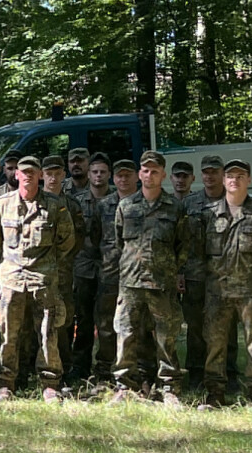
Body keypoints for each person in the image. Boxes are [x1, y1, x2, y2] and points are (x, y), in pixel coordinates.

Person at [0, 156, 77, 402]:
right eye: (22, 171)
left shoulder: (55, 206)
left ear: (39, 176)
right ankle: (6, 383)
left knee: (48, 332)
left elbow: (67, 241)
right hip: (12, 280)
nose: (27, 175)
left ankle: (50, 383)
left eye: (32, 172)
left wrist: (46, 263)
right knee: (9, 333)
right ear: (16, 175)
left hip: (43, 279)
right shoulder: (2, 204)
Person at [196, 159, 252, 408]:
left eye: (241, 176)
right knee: (215, 343)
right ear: (223, 180)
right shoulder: (208, 215)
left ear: (249, 180)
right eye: (230, 176)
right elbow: (198, 251)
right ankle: (215, 392)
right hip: (217, 291)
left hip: (250, 292)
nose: (235, 180)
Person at [112, 151, 190, 405]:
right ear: (139, 174)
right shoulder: (126, 206)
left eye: (154, 170)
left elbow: (183, 245)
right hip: (131, 284)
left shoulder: (175, 207)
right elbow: (118, 241)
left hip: (161, 285)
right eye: (145, 170)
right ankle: (125, 387)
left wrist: (169, 271)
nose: (149, 174)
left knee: (166, 337)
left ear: (163, 175)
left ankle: (169, 388)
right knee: (126, 335)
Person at [180, 154, 223, 390]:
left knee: (223, 326)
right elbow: (179, 241)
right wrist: (179, 273)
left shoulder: (234, 200)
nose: (210, 176)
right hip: (194, 276)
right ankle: (195, 373)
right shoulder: (190, 203)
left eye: (214, 171)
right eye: (206, 172)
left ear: (222, 174)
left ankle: (226, 373)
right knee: (195, 327)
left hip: (224, 277)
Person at [94, 159, 140, 384]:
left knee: (136, 325)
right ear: (114, 178)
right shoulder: (103, 205)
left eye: (128, 175)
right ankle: (104, 370)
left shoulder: (143, 204)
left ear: (136, 177)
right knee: (105, 325)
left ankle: (136, 369)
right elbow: (93, 238)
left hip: (137, 276)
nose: (123, 180)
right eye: (119, 176)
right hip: (110, 273)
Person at [41, 156, 84, 378]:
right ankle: (38, 366)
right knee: (38, 318)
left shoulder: (72, 205)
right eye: (49, 173)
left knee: (65, 318)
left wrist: (64, 259)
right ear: (42, 175)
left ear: (64, 175)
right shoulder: (33, 203)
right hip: (38, 272)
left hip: (64, 271)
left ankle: (65, 367)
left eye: (58, 173)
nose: (53, 178)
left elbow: (79, 238)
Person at [68, 152, 109, 381]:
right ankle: (80, 367)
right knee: (82, 320)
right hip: (82, 267)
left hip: (108, 268)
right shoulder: (76, 202)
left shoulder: (119, 201)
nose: (98, 176)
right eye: (95, 172)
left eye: (103, 172)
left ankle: (105, 368)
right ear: (89, 174)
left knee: (107, 321)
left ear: (108, 175)